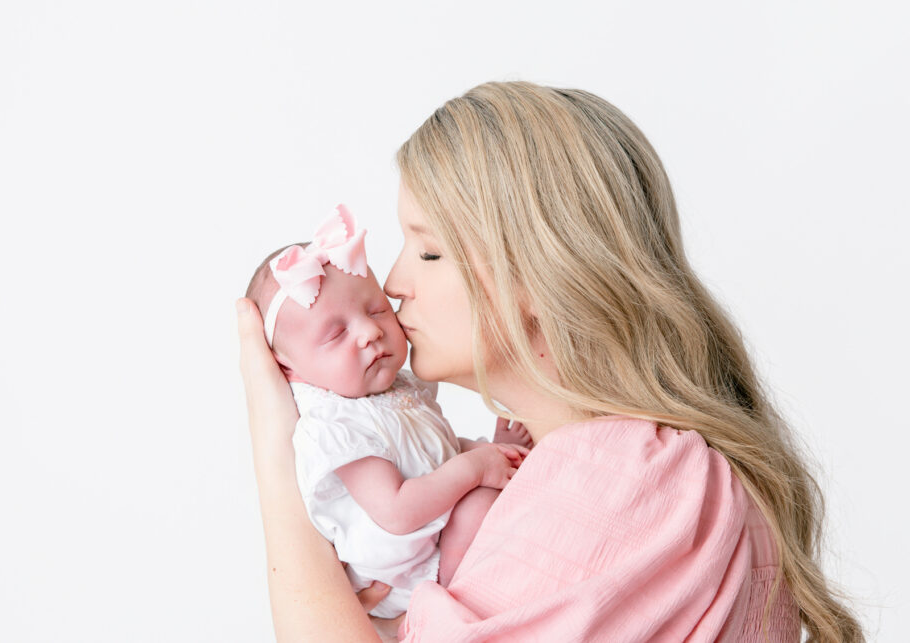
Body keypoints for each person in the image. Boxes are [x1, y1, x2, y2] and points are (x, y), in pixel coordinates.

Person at [237, 82, 865, 641]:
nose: (393, 283)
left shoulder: (618, 482)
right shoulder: (616, 470)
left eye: (429, 253)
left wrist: (279, 454)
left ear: (539, 276)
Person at [244, 203, 531, 618]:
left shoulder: (396, 393)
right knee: (478, 508)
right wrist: (477, 468)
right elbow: (397, 511)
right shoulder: (335, 426)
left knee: (488, 499)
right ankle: (449, 614)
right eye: (336, 333)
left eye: (377, 309)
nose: (370, 331)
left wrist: (485, 450)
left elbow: (435, 455)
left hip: (434, 533)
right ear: (291, 369)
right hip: (405, 575)